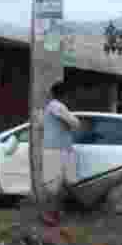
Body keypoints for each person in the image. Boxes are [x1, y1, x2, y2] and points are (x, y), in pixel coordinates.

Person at [40, 81, 82, 225]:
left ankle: (54, 213)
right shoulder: (57, 106)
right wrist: (73, 122)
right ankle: (50, 214)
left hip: (58, 149)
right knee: (54, 185)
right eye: (70, 94)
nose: (71, 97)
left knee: (57, 184)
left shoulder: (51, 107)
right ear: (64, 94)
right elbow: (75, 123)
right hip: (56, 150)